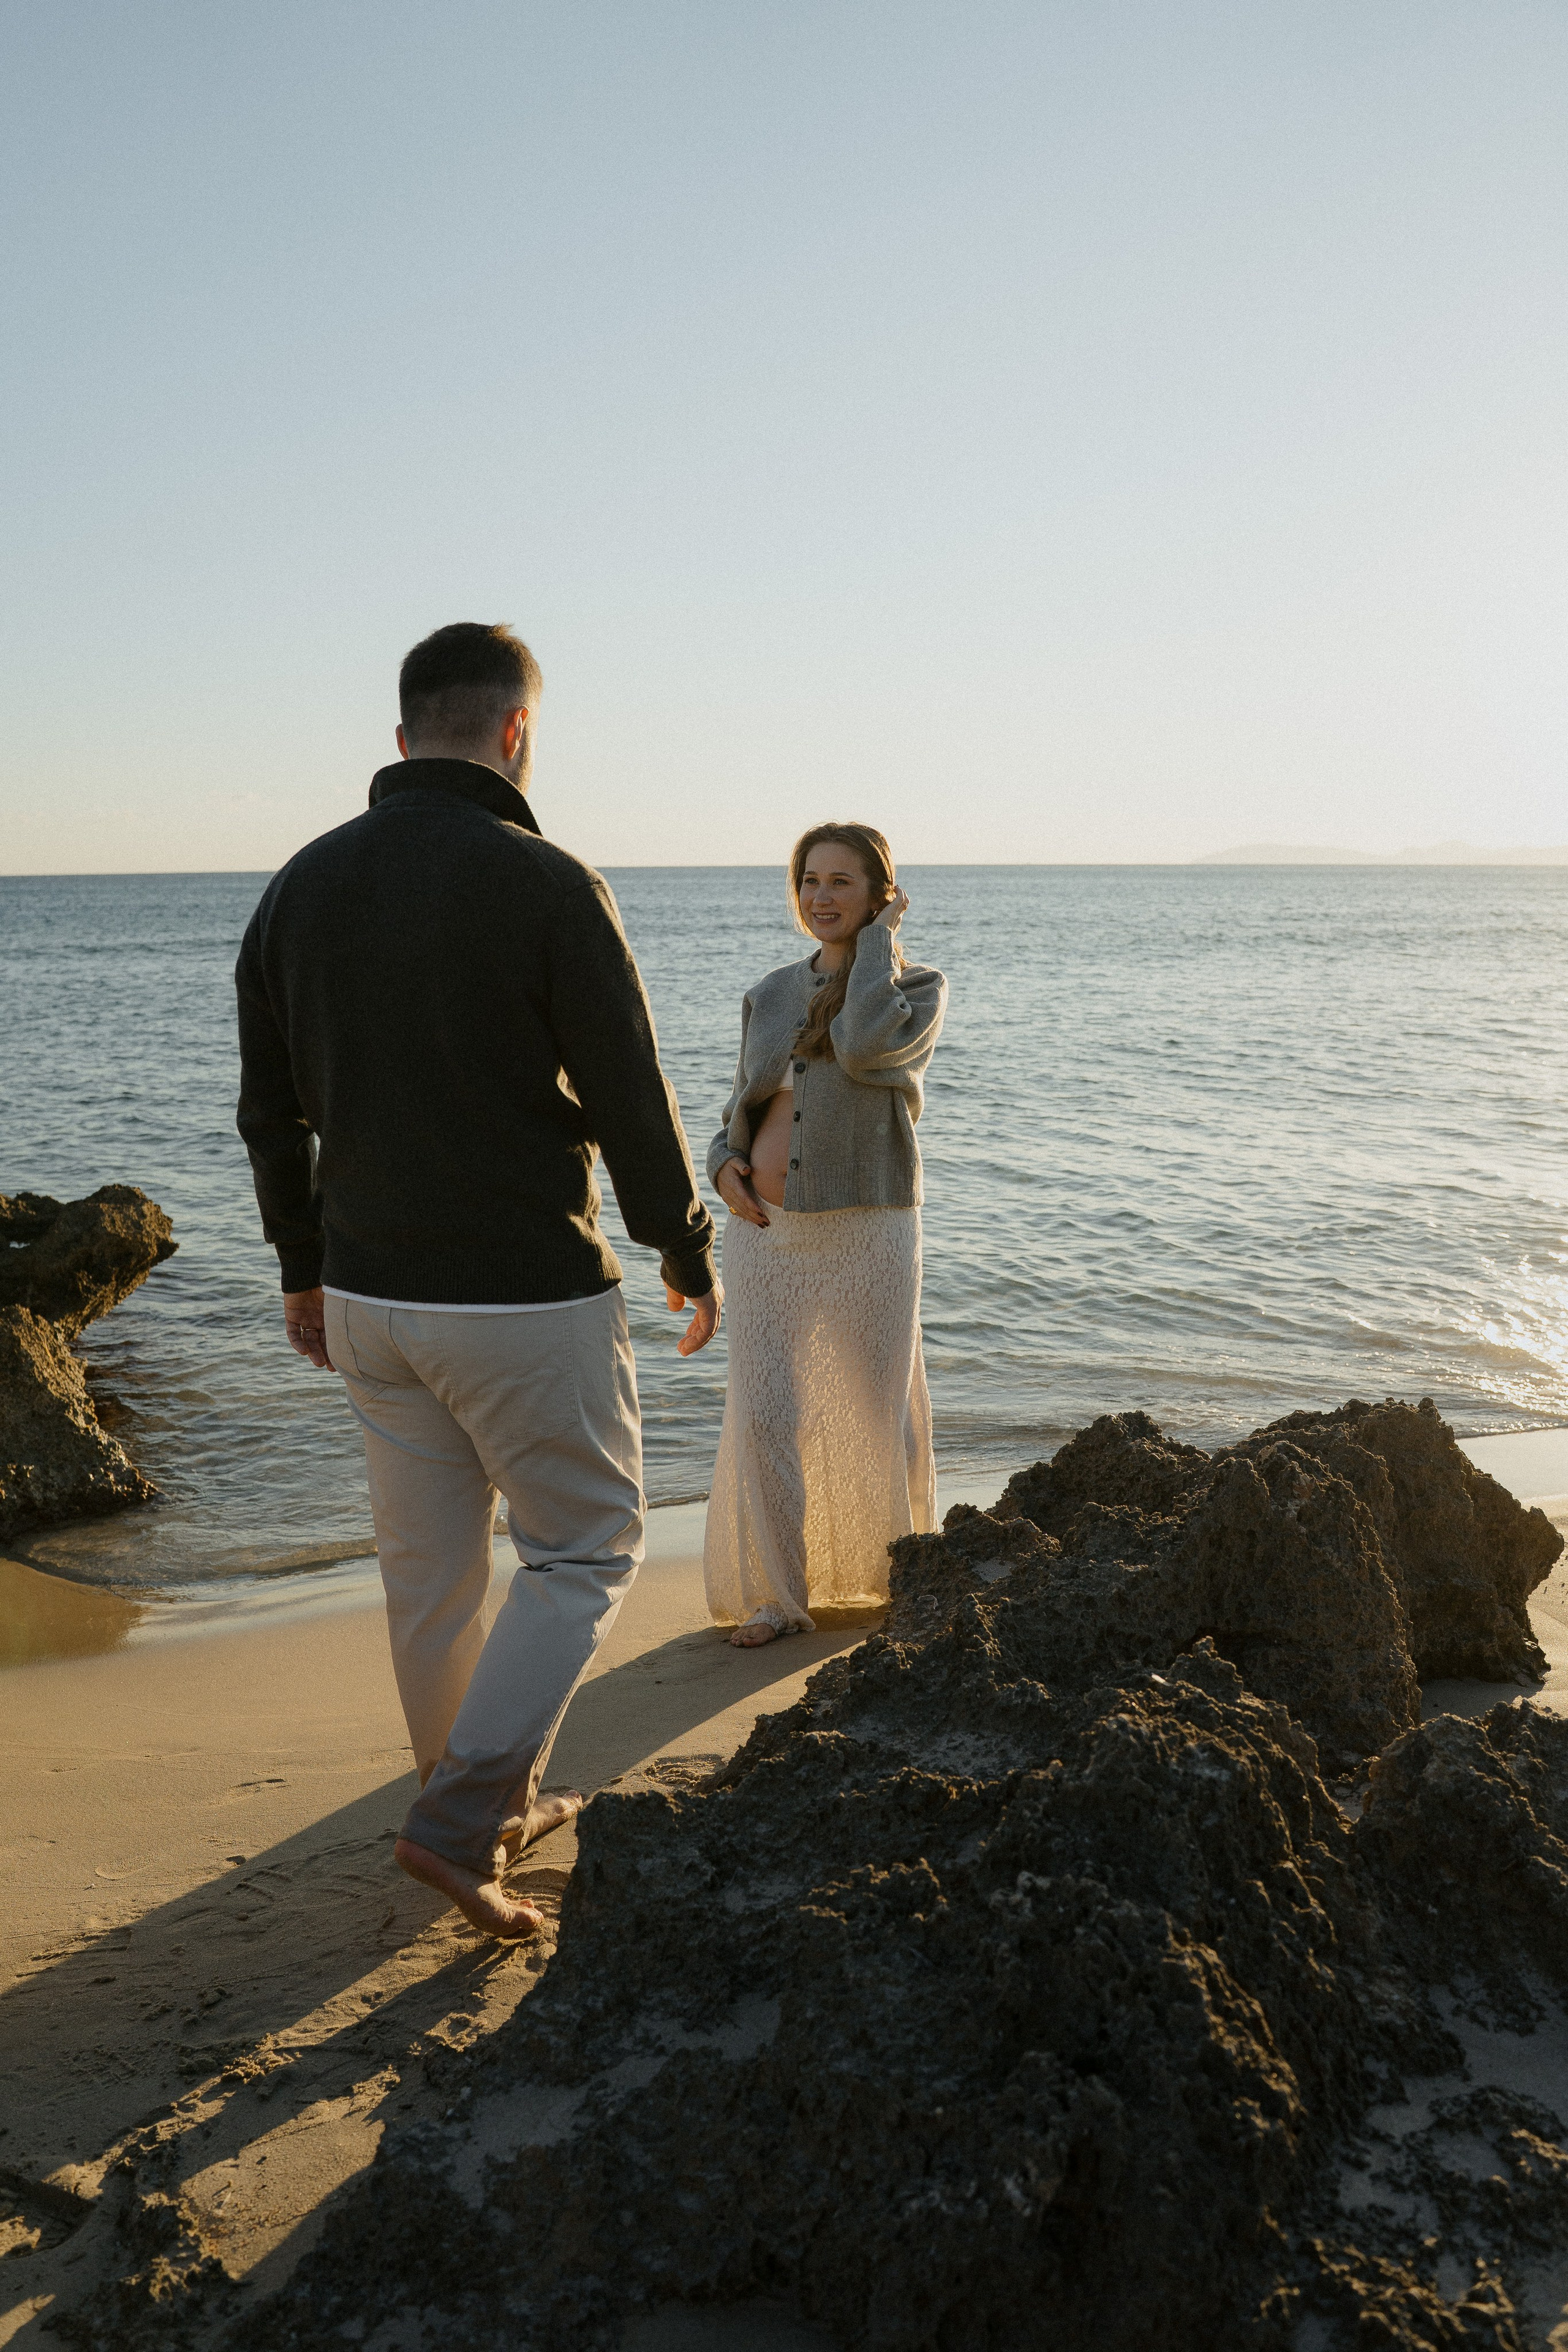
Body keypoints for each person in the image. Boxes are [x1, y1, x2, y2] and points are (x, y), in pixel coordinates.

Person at [235, 622, 720, 1940]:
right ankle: (461, 1821)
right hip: (519, 1291)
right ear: (517, 731)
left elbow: (268, 1113)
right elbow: (627, 1088)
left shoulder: (297, 885)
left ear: (401, 740)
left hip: (370, 1296)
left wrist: (301, 1272)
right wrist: (681, 1245)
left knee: (429, 1574)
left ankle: (467, 1799)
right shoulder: (548, 881)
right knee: (584, 1546)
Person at [703, 823, 946, 1645]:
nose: (820, 897)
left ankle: (897, 1579)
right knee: (768, 1413)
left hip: (870, 1232)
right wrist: (721, 1167)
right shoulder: (770, 991)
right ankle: (781, 1596)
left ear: (880, 895)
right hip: (764, 1236)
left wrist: (878, 945)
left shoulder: (915, 990)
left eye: (843, 882)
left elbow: (864, 1043)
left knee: (882, 1414)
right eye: (809, 880)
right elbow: (738, 1103)